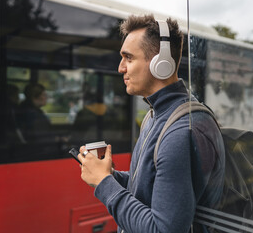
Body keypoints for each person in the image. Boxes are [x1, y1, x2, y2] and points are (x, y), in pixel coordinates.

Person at [77, 15, 225, 233]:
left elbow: (162, 229)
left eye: (128, 58)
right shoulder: (155, 115)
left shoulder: (180, 132)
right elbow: (149, 188)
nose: (120, 68)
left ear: (160, 63)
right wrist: (108, 175)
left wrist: (104, 184)